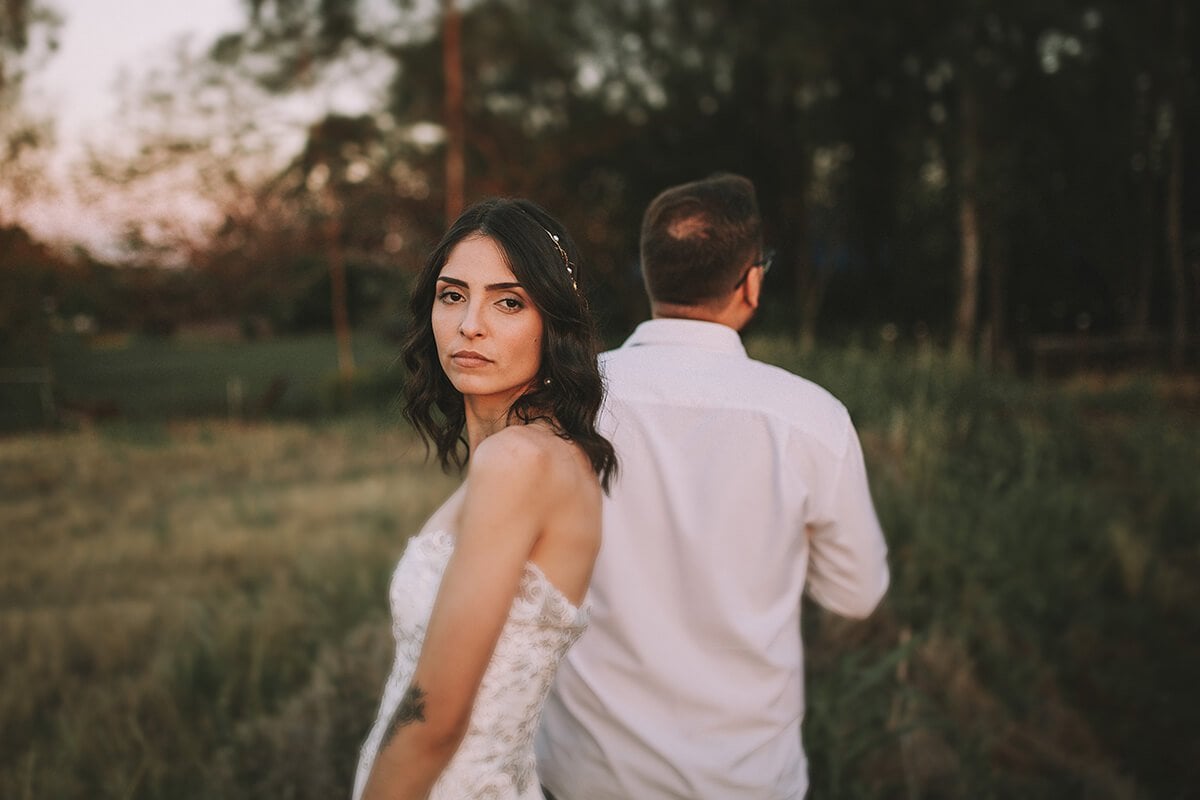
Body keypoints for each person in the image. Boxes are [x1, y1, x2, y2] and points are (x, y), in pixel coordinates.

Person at [536, 173, 890, 799]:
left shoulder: (559, 404)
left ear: (650, 276)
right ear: (751, 282)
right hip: (745, 781)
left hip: (586, 777)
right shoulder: (811, 420)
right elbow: (855, 594)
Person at [353, 197, 616, 800]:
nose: (471, 323)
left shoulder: (518, 461)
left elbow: (436, 721)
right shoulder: (547, 453)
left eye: (508, 301)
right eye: (452, 295)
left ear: (554, 323)